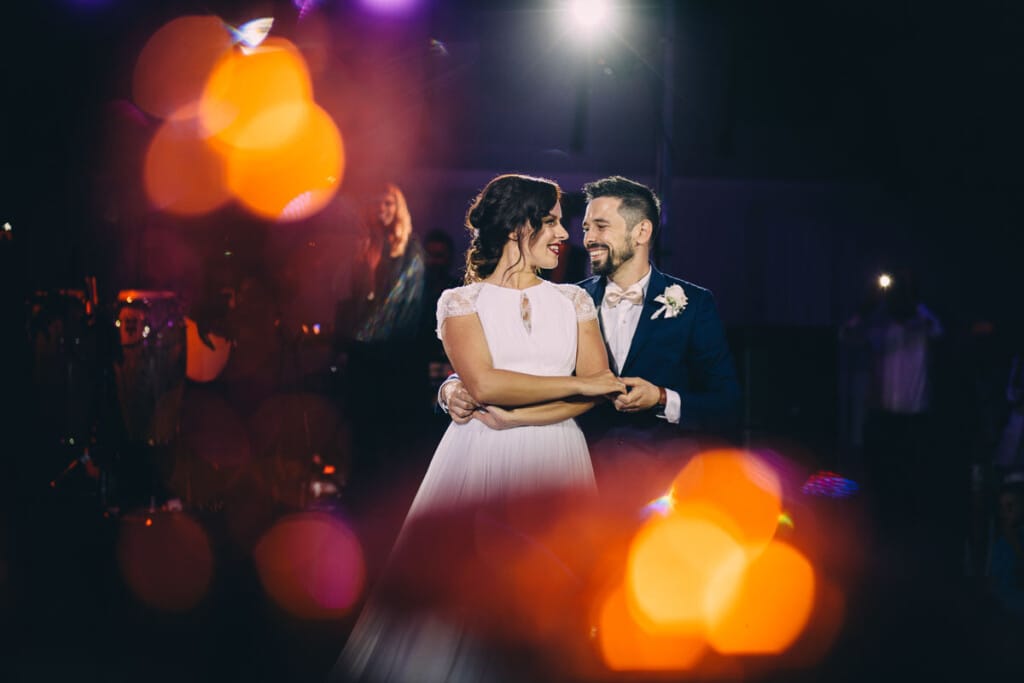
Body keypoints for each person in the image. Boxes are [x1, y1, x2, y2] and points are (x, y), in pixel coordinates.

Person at [331, 174, 624, 682]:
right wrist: (561, 387)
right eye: (551, 220)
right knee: (473, 600)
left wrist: (523, 411)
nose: (564, 234)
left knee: (554, 598)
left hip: (560, 460)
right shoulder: (460, 303)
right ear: (517, 226)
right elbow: (486, 384)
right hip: (480, 458)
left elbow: (599, 384)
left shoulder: (575, 302)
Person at [441, 175, 741, 503]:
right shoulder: (572, 298)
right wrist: (452, 386)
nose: (586, 239)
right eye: (585, 228)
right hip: (579, 466)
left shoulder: (693, 304)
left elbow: (726, 404)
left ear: (641, 232)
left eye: (600, 227)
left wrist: (661, 397)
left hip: (662, 483)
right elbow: (510, 360)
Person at [335, 182, 427, 493]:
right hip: (364, 358)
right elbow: (352, 299)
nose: (381, 209)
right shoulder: (363, 248)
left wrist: (365, 336)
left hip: (395, 358)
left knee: (393, 436)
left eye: (388, 203)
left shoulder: (410, 250)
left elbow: (408, 305)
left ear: (397, 208)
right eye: (376, 203)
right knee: (362, 434)